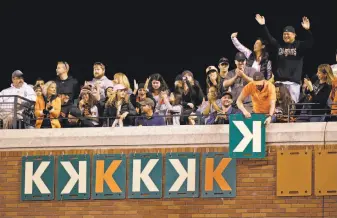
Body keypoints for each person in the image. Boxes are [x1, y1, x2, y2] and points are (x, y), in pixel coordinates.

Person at [255, 14, 313, 103]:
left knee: (292, 107)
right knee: (279, 107)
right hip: (280, 82)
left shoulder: (299, 45)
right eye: (284, 34)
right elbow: (269, 38)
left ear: (294, 35)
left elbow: (311, 42)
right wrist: (263, 26)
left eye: (288, 34)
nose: (285, 35)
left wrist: (307, 30)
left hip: (293, 83)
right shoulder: (279, 45)